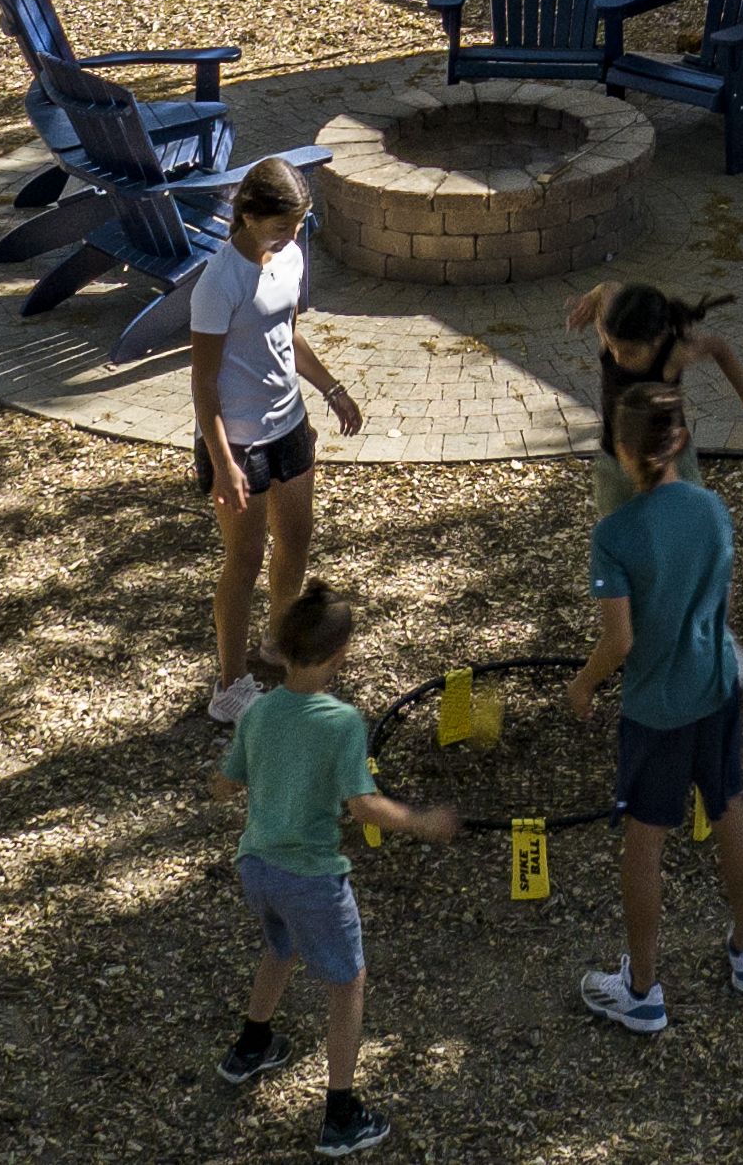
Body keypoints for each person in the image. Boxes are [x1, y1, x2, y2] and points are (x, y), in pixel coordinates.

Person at [217, 574, 457, 1157]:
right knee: (347, 985)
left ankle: (251, 1046)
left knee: (279, 949)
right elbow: (363, 806)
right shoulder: (342, 722)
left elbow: (225, 785)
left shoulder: (258, 711)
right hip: (311, 877)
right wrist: (421, 822)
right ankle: (340, 1114)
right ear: (340, 656)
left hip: (257, 868)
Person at [567, 383, 743, 1037]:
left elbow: (619, 640)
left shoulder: (614, 535)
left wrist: (584, 685)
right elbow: (720, 609)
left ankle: (644, 990)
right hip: (716, 690)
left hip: (655, 710)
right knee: (728, 804)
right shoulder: (714, 512)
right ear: (680, 441)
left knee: (644, 843)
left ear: (623, 452)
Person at [196, 159, 370, 724]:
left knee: (295, 539)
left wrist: (331, 387)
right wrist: (224, 464)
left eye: (297, 225)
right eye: (280, 226)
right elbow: (203, 383)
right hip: (239, 442)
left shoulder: (291, 255)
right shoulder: (218, 283)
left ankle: (276, 641)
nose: (291, 236)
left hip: (288, 424)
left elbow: (285, 334)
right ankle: (230, 687)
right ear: (247, 215)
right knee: (244, 561)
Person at [563, 279, 743, 513]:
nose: (619, 357)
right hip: (616, 461)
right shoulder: (615, 324)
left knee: (695, 518)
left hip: (671, 460)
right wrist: (591, 298)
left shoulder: (675, 354)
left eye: (631, 352)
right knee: (616, 532)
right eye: (612, 347)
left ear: (658, 338)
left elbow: (717, 346)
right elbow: (609, 288)